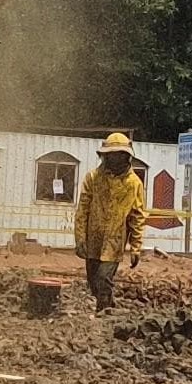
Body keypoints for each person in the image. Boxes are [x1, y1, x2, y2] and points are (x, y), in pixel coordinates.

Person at [72, 132, 148, 311]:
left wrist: (136, 248)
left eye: (120, 155)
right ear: (105, 156)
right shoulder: (93, 178)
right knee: (93, 282)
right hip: (94, 240)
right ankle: (109, 306)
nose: (115, 159)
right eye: (112, 155)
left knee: (103, 278)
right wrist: (80, 238)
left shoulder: (134, 183)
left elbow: (137, 217)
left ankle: (103, 314)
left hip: (114, 242)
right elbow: (83, 210)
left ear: (126, 156)